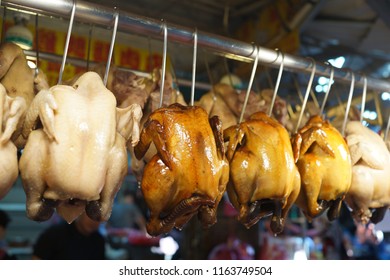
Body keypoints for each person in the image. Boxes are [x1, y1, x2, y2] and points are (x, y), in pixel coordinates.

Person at [32, 212, 106, 260]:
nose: (93, 221)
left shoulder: (99, 240)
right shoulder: (54, 234)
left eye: (98, 219)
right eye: (90, 216)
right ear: (81, 213)